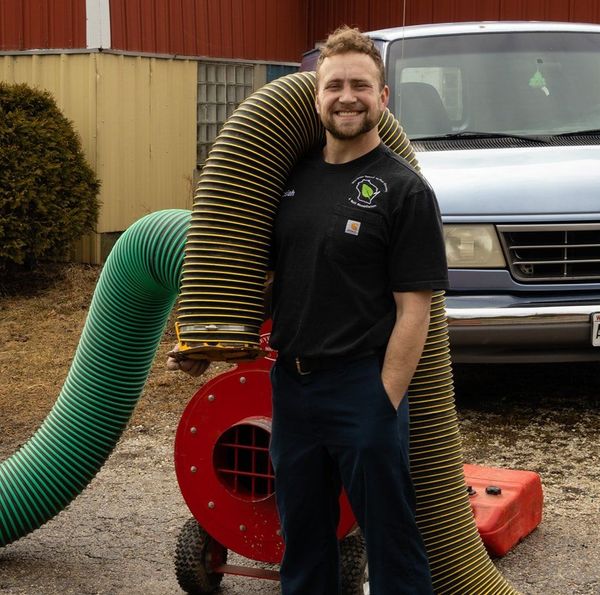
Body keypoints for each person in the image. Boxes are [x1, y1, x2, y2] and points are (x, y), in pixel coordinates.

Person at [169, 25, 448, 595]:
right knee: (303, 545)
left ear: (383, 97)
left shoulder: (404, 191)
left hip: (361, 388)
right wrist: (208, 344)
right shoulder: (291, 180)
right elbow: (269, 277)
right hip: (293, 390)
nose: (348, 97)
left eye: (361, 87)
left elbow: (415, 309)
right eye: (335, 85)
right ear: (315, 94)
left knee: (393, 545)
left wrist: (382, 401)